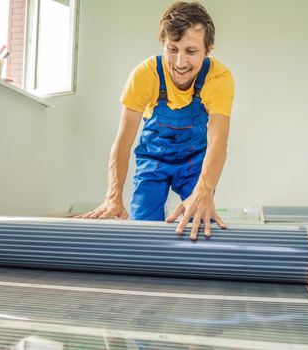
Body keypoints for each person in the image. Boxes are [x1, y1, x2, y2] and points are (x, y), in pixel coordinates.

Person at [77, 1, 234, 240]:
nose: (180, 63)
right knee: (142, 233)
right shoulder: (144, 75)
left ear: (208, 49)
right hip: (153, 160)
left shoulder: (219, 78)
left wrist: (205, 190)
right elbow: (123, 142)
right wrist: (113, 196)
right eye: (172, 49)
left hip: (195, 162)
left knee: (200, 226)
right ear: (164, 44)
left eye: (191, 51)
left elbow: (218, 142)